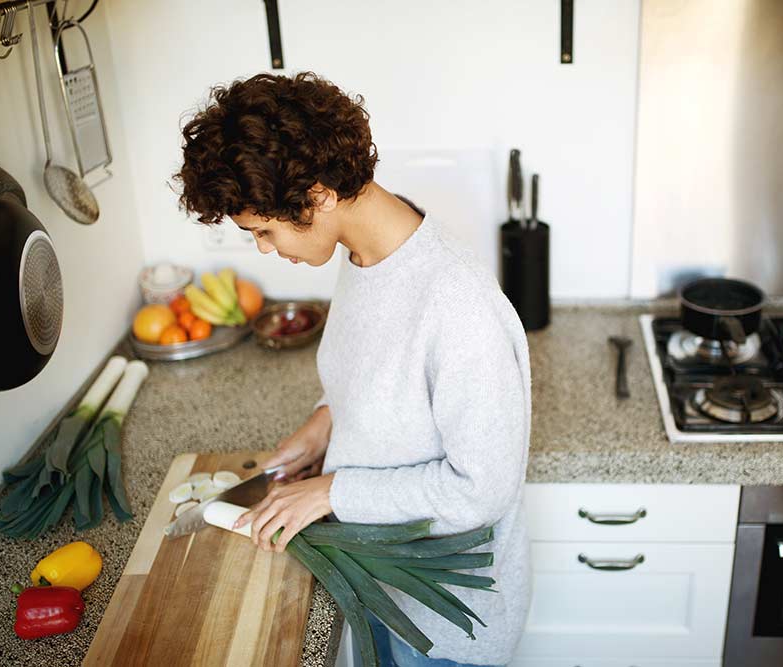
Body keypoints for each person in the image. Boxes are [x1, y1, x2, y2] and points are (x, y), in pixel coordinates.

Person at [174, 71, 532, 667]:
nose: (263, 248)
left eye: (263, 229)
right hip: (380, 588)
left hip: (445, 630)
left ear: (317, 196)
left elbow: (482, 490)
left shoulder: (458, 305)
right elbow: (373, 371)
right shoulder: (365, 257)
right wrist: (324, 423)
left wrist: (330, 491)